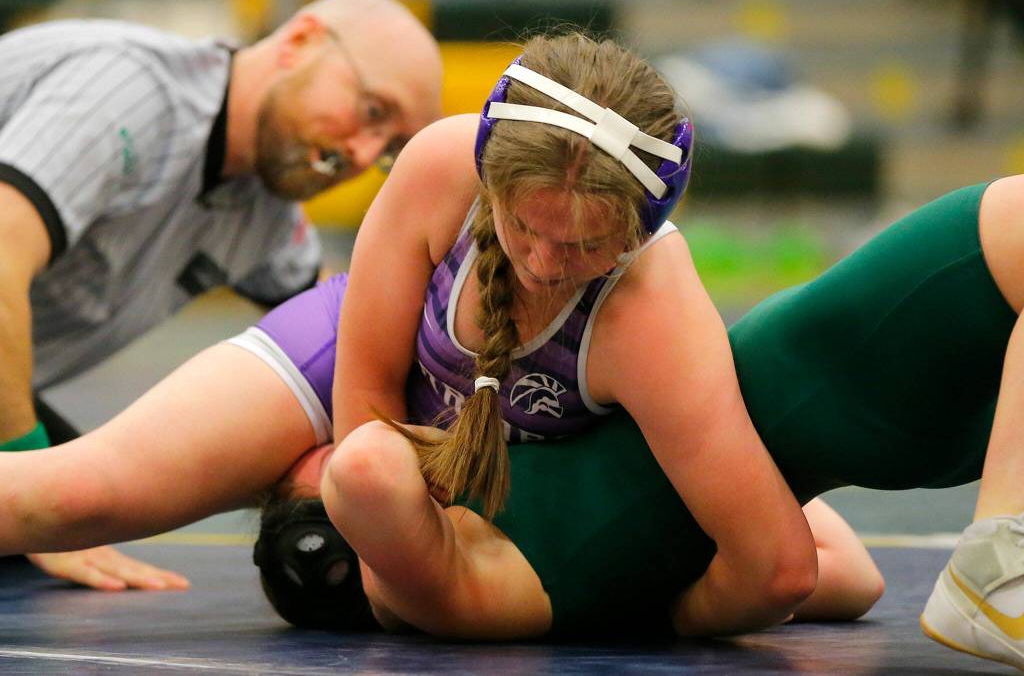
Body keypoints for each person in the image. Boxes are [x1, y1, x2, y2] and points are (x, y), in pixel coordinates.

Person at [1, 32, 885, 638]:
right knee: (75, 494)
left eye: (580, 246)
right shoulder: (440, 165)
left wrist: (616, 597)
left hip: (530, 448)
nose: (542, 264)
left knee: (843, 581)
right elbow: (367, 411)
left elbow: (798, 571)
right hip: (362, 364)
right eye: (522, 227)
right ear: (486, 181)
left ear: (640, 231)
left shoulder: (654, 312)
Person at [0, 0, 442, 590]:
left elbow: (348, 345)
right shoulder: (128, 91)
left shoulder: (263, 215)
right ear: (300, 42)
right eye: (370, 110)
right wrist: (34, 510)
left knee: (102, 495)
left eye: (388, 147)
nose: (362, 154)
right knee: (64, 503)